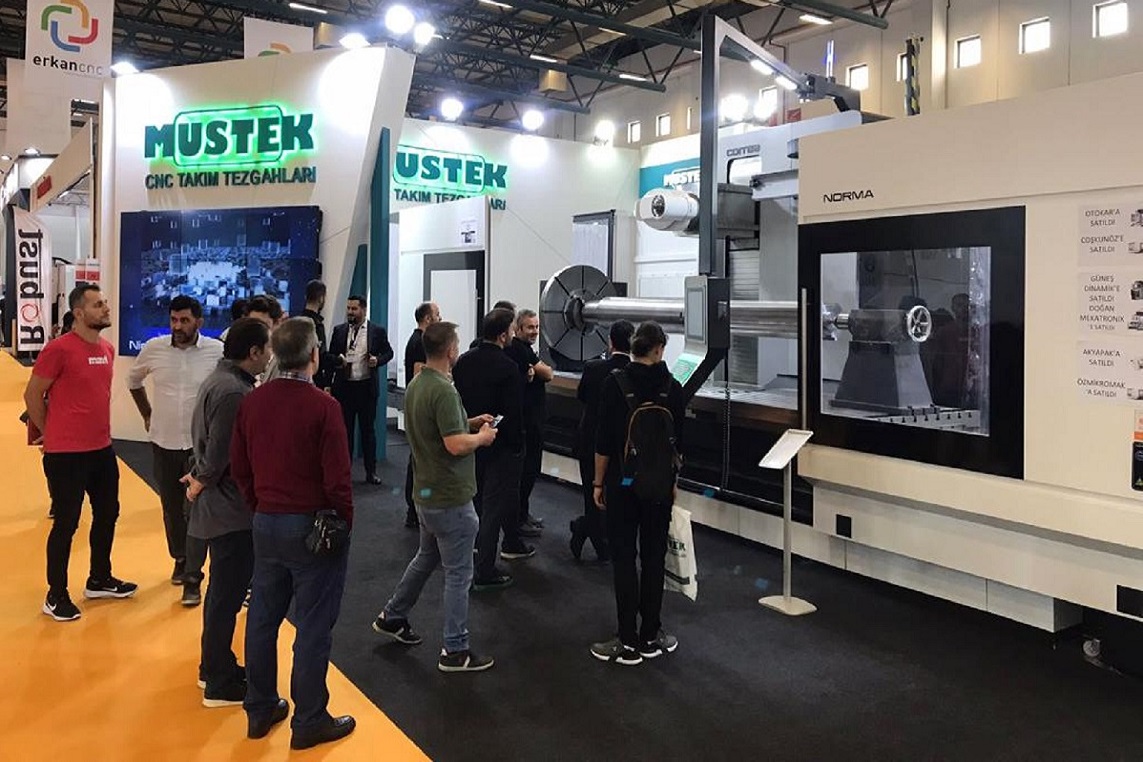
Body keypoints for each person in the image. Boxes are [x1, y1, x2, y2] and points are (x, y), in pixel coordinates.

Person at [230, 317, 356, 750]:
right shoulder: (324, 407)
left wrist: (259, 505)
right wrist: (344, 523)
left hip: (266, 521)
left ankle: (259, 707)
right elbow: (338, 479)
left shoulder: (253, 402)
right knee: (314, 626)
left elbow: (239, 465)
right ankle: (310, 718)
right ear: (314, 355)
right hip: (311, 526)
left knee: (262, 619)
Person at [373, 321, 498, 673]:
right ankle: (455, 649)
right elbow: (454, 444)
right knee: (458, 574)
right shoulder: (443, 390)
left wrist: (470, 422)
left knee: (426, 557)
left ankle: (393, 616)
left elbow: (440, 428)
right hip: (450, 497)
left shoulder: (418, 384)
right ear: (450, 350)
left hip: (426, 494)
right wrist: (482, 438)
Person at [24, 285, 137, 622]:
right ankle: (55, 595)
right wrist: (49, 432)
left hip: (101, 448)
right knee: (67, 522)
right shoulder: (59, 349)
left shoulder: (107, 349)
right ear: (79, 313)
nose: (106, 308)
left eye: (105, 303)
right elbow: (33, 395)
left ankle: (99, 578)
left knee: (108, 513)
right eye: (98, 304)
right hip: (66, 454)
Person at [183, 318, 272, 708]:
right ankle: (218, 679)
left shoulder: (220, 381)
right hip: (230, 509)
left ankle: (214, 666)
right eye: (266, 349)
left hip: (223, 505)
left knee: (223, 593)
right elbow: (222, 451)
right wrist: (201, 478)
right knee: (226, 595)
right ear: (254, 352)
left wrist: (200, 476)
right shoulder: (234, 391)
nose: (269, 356)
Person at [590, 321, 686, 666]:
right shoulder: (673, 388)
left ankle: (626, 638)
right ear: (659, 349)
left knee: (624, 558)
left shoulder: (614, 384)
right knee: (654, 557)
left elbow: (603, 441)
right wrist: (673, 482)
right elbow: (679, 444)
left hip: (623, 484)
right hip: (659, 486)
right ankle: (651, 633)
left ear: (633, 347)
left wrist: (598, 483)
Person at [128, 295, 224, 606]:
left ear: (199, 322)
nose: (177, 326)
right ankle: (180, 559)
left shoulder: (216, 351)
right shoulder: (153, 348)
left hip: (200, 446)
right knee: (171, 507)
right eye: (173, 320)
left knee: (196, 509)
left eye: (184, 320)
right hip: (163, 442)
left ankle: (193, 576)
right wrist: (146, 414)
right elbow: (133, 380)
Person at [453, 308, 533, 592]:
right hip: (501, 447)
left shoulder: (463, 362)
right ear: (502, 335)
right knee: (493, 508)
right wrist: (517, 446)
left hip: (471, 441)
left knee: (474, 503)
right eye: (511, 330)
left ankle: (470, 555)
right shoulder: (508, 368)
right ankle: (485, 569)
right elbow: (513, 412)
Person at [570, 320, 634, 562]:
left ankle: (588, 530)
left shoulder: (593, 368)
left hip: (590, 441)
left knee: (592, 493)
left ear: (610, 342)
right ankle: (602, 541)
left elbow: (582, 397)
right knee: (619, 494)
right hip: (622, 446)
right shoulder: (634, 374)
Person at [329, 295, 394, 484]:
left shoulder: (377, 331)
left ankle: (371, 472)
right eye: (348, 308)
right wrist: (338, 361)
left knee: (368, 432)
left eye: (354, 309)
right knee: (345, 432)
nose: (350, 312)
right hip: (345, 388)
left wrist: (377, 360)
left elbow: (389, 352)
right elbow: (330, 356)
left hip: (366, 388)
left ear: (363, 310)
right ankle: (345, 471)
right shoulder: (339, 331)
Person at [504, 308, 553, 538]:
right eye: (530, 327)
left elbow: (543, 371)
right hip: (526, 423)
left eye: (536, 327)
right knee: (525, 473)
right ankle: (518, 519)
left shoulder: (526, 351)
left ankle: (523, 514)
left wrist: (536, 369)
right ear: (518, 328)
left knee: (530, 472)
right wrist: (536, 368)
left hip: (533, 421)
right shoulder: (519, 350)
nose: (534, 331)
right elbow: (548, 373)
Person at [403, 301, 441, 529]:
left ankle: (415, 508)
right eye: (437, 314)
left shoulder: (417, 340)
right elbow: (419, 374)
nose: (440, 318)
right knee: (418, 459)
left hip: (417, 405)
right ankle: (413, 509)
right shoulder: (419, 342)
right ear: (427, 318)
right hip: (420, 407)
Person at [300, 280, 334, 391]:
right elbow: (321, 356)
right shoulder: (316, 325)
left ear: (306, 296)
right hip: (313, 380)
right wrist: (338, 360)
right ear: (321, 298)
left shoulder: (296, 322)